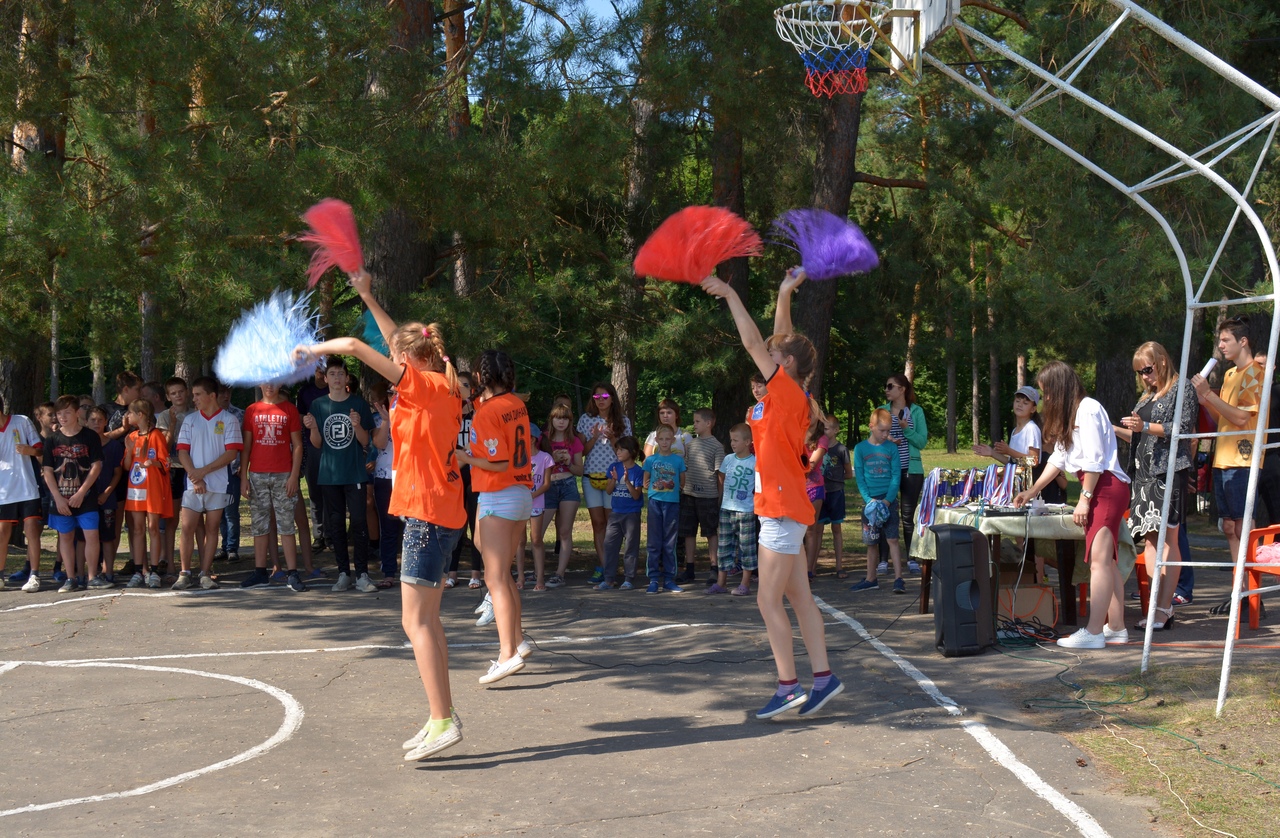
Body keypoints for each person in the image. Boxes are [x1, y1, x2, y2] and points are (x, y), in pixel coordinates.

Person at [295, 268, 472, 760]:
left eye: (395, 354)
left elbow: (354, 344)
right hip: (440, 511)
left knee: (415, 624)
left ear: (407, 360)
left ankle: (442, 721)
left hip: (428, 516)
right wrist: (369, 293)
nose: (390, 357)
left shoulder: (422, 386)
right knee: (427, 623)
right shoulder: (439, 381)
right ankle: (442, 715)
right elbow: (390, 337)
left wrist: (316, 351)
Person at [699, 267, 842, 718]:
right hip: (784, 505)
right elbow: (781, 338)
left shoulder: (785, 392)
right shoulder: (790, 389)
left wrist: (727, 292)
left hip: (781, 507)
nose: (768, 355)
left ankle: (788, 686)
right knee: (798, 598)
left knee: (766, 599)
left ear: (787, 366)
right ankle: (823, 679)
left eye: (777, 355)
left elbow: (754, 342)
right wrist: (784, 292)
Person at [1013, 361, 1131, 650]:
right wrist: (1032, 490)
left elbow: (1094, 459)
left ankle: (1093, 632)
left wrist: (1085, 499)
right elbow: (1058, 459)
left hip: (1104, 487)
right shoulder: (1073, 413)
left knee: (1100, 561)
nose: (1047, 400)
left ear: (1061, 389)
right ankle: (1115, 627)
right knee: (1108, 561)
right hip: (1099, 486)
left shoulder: (1088, 409)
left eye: (1048, 393)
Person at [454, 349, 533, 685]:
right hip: (517, 493)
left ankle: (507, 653)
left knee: (495, 578)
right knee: (499, 569)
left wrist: (465, 458)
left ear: (481, 377)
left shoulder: (488, 412)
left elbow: (498, 462)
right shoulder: (515, 403)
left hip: (499, 492)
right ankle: (516, 641)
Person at [1112, 341, 1198, 633]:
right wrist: (1111, 429)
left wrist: (1145, 427)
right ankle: (1156, 605)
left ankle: (1164, 607)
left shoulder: (1181, 388)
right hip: (1144, 475)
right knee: (1150, 542)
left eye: (1147, 370)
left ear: (1161, 361)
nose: (1144, 377)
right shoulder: (1147, 395)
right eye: (1139, 373)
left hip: (1168, 472)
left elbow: (1183, 428)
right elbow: (1138, 437)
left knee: (1167, 540)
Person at [1192, 315, 1266, 575]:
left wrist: (1210, 394)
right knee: (1228, 526)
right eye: (1219, 340)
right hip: (1223, 458)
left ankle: (1250, 593)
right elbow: (1221, 417)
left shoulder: (1255, 373)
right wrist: (1206, 401)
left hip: (1243, 460)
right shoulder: (1230, 373)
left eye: (1226, 340)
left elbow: (1242, 417)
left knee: (1242, 525)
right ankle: (1240, 587)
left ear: (1243, 341)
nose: (1221, 346)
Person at [305, 357, 376, 593]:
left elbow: (366, 441)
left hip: (354, 472)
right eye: (332, 374)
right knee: (335, 524)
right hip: (329, 475)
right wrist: (313, 427)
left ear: (347, 378)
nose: (336, 378)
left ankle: (363, 574)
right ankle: (343, 573)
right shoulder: (318, 405)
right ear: (325, 379)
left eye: (340, 374)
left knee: (358, 522)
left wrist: (356, 426)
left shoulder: (358, 403)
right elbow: (316, 444)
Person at [973, 385, 1058, 582]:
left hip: (1028, 490)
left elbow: (1034, 460)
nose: (1020, 404)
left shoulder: (1031, 429)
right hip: (1015, 489)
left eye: (1025, 402)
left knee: (1029, 539)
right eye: (1017, 400)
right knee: (1020, 537)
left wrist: (1009, 451)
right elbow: (1013, 463)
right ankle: (1023, 579)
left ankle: (1037, 580)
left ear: (1034, 408)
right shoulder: (1015, 430)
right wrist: (992, 453)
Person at [174, 377, 243, 590]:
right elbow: (182, 450)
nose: (193, 399)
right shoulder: (190, 420)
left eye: (197, 395)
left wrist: (203, 472)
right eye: (193, 395)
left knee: (213, 528)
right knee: (187, 527)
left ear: (211, 396)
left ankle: (205, 572)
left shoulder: (229, 420)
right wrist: (195, 476)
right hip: (193, 485)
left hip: (218, 484)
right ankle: (184, 573)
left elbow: (231, 452)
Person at [239, 382, 306, 592]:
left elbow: (298, 445)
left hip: (283, 473)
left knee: (286, 522)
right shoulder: (252, 410)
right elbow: (247, 446)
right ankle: (260, 571)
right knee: (260, 523)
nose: (270, 386)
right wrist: (244, 476)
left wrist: (294, 475)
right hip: (258, 473)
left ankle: (292, 572)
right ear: (260, 384)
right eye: (266, 382)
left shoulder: (289, 409)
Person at [43, 395, 104, 593]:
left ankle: (92, 576)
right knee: (66, 537)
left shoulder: (89, 436)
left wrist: (82, 492)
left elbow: (96, 466)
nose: (62, 417)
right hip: (60, 498)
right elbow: (48, 471)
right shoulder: (52, 439)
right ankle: (70, 578)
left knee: (91, 536)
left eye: (67, 412)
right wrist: (57, 498)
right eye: (58, 413)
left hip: (85, 498)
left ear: (77, 412)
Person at [577, 382, 632, 585]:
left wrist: (612, 437)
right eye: (596, 397)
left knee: (612, 525)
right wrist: (593, 436)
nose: (600, 401)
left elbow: (627, 450)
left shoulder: (623, 420)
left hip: (614, 478)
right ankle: (606, 569)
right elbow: (581, 451)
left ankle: (610, 567)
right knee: (598, 524)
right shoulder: (586, 419)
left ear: (612, 398)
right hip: (591, 477)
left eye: (605, 397)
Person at [850, 409, 903, 593]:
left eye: (888, 431)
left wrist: (888, 501)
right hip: (870, 503)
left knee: (893, 539)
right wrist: (869, 501)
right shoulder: (860, 449)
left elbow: (896, 476)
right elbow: (860, 478)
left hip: (888, 501)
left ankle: (898, 578)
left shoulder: (892, 448)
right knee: (871, 542)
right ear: (871, 427)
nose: (886, 435)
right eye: (882, 431)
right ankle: (871, 578)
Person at [122, 397, 171, 588]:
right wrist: (129, 450)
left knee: (153, 528)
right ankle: (138, 570)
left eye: (131, 413)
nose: (128, 416)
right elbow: (127, 466)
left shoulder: (157, 435)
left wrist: (154, 463)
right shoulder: (132, 437)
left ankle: (155, 570)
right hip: (136, 489)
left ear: (140, 415)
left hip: (153, 489)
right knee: (137, 528)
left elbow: (165, 462)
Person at [882, 372, 928, 568]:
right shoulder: (881, 411)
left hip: (911, 469)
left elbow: (921, 441)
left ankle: (911, 558)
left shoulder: (916, 411)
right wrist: (888, 439)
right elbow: (874, 438)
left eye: (890, 386)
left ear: (902, 389)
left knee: (908, 516)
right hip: (887, 470)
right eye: (886, 386)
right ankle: (883, 560)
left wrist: (905, 429)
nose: (886, 390)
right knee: (884, 513)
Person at [0, 396, 44, 592]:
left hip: (27, 487)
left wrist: (29, 451)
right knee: (2, 534)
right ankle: (0, 576)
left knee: (32, 529)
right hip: (4, 491)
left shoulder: (22, 421)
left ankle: (34, 575)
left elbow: (40, 450)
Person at [678, 408, 724, 586]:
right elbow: (686, 468)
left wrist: (719, 497)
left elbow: (720, 475)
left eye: (697, 421)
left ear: (708, 423)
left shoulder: (717, 446)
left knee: (711, 532)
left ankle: (714, 568)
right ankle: (689, 568)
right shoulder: (690, 445)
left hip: (708, 497)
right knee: (688, 532)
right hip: (689, 494)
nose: (694, 424)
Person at [539, 402, 583, 588]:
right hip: (548, 486)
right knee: (537, 532)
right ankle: (538, 571)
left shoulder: (575, 441)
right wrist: (552, 459)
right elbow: (536, 462)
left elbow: (580, 470)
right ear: (552, 419)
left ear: (570, 421)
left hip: (568, 484)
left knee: (565, 531)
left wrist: (568, 463)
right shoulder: (543, 439)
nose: (561, 422)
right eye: (558, 417)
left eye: (565, 418)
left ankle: (559, 573)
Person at [446, 372, 482, 590]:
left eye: (466, 386)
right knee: (456, 524)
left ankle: (476, 573)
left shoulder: (479, 414)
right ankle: (452, 572)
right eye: (457, 386)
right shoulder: (450, 414)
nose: (461, 390)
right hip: (455, 473)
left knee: (474, 525)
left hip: (476, 473)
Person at [714, 423, 757, 596]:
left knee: (746, 548)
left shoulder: (755, 462)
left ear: (747, 442)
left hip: (746, 510)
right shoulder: (728, 459)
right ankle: (720, 582)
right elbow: (722, 480)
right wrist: (720, 500)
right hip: (726, 508)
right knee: (723, 546)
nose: (732, 443)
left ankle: (745, 584)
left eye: (736, 440)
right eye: (731, 440)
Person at [643, 425, 686, 593]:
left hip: (672, 503)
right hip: (655, 503)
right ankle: (653, 579)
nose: (665, 442)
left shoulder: (678, 460)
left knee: (669, 542)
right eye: (661, 439)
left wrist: (677, 490)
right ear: (656, 440)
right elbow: (645, 480)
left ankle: (669, 578)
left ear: (673, 440)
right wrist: (646, 485)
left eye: (668, 439)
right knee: (654, 542)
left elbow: (682, 481)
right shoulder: (651, 460)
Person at [598, 435, 644, 590]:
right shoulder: (613, 467)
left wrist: (626, 481)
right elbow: (609, 491)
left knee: (631, 546)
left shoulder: (638, 471)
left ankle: (629, 578)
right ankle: (609, 579)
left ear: (631, 452)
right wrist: (613, 480)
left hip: (631, 514)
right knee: (609, 545)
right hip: (615, 513)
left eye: (621, 449)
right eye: (617, 448)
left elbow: (636, 495)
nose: (618, 451)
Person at [86, 406, 124, 587]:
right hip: (85, 499)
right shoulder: (82, 445)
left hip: (107, 497)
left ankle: (108, 572)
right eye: (92, 420)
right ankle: (82, 574)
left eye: (100, 420)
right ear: (85, 422)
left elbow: (118, 473)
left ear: (106, 422)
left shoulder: (114, 446)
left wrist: (107, 492)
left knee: (108, 536)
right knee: (83, 537)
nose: (96, 423)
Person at [160, 377, 194, 573]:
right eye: (173, 393)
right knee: (172, 519)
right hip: (172, 468)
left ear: (186, 392)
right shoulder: (164, 416)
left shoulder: (195, 413)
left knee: (194, 521)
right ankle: (171, 564)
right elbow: (163, 446)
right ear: (168, 396)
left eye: (180, 391)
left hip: (191, 469)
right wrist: (172, 424)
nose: (178, 396)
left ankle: (194, 566)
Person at [295, 366, 329, 552]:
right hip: (311, 444)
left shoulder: (335, 388)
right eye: (319, 370)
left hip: (333, 447)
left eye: (326, 370)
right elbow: (299, 417)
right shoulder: (305, 392)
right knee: (315, 492)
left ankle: (332, 534)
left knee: (331, 491)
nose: (322, 374)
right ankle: (319, 535)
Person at [816, 414, 853, 579]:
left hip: (836, 492)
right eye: (823, 428)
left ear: (836, 430)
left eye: (828, 428)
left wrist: (835, 479)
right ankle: (812, 566)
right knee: (817, 529)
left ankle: (839, 566)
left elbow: (849, 473)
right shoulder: (818, 447)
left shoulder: (841, 449)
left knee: (836, 529)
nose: (825, 431)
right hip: (820, 493)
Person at [215, 383, 245, 563]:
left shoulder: (240, 414)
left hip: (234, 469)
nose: (225, 396)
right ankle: (224, 546)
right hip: (216, 471)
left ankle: (233, 547)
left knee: (231, 512)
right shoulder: (212, 416)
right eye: (221, 392)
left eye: (228, 392)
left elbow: (246, 444)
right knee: (218, 512)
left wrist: (243, 465)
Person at [524, 428, 554, 590]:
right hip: (520, 502)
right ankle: (520, 578)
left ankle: (540, 579)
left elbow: (547, 483)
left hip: (536, 503)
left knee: (536, 539)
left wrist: (533, 495)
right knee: (519, 541)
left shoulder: (545, 458)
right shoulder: (517, 457)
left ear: (533, 439)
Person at [801, 420, 829, 577]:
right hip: (796, 489)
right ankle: (797, 570)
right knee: (796, 531)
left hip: (814, 488)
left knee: (810, 531)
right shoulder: (795, 435)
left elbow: (811, 465)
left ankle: (809, 570)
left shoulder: (822, 439)